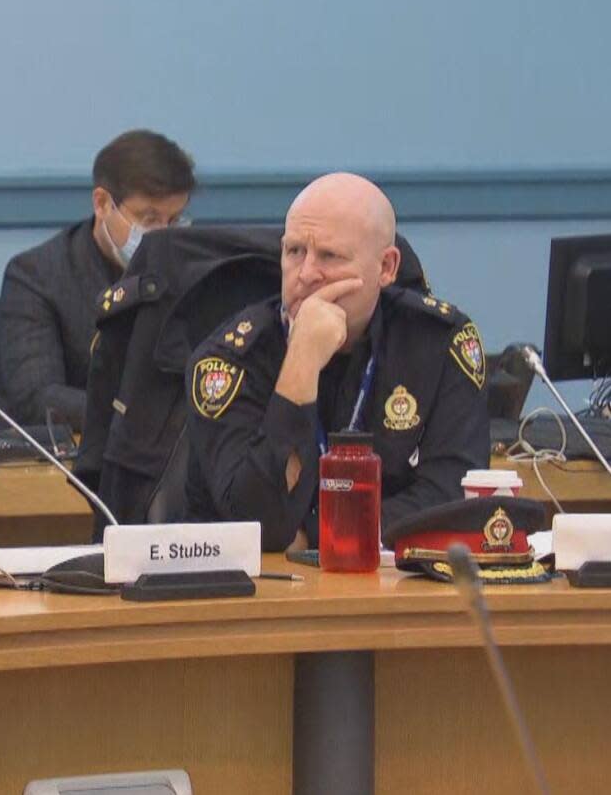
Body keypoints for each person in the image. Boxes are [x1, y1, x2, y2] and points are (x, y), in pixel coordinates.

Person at [184, 172, 489, 550]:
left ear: (386, 268)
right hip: (257, 597)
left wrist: (315, 537)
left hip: (395, 588)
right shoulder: (228, 360)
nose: (307, 273)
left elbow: (452, 495)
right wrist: (302, 361)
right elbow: (261, 525)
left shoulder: (438, 342)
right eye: (294, 251)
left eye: (329, 256)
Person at [0, 129, 195, 430]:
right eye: (149, 219)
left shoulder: (190, 272)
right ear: (102, 203)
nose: (163, 235)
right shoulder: (36, 276)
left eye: (174, 220)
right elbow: (37, 399)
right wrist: (137, 416)